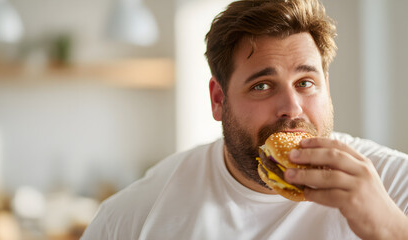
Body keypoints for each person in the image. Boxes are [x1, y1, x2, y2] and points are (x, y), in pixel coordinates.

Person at [81, 0, 408, 239]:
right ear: (219, 100)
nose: (292, 109)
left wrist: (390, 230)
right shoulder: (133, 217)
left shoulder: (395, 185)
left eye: (305, 83)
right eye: (262, 86)